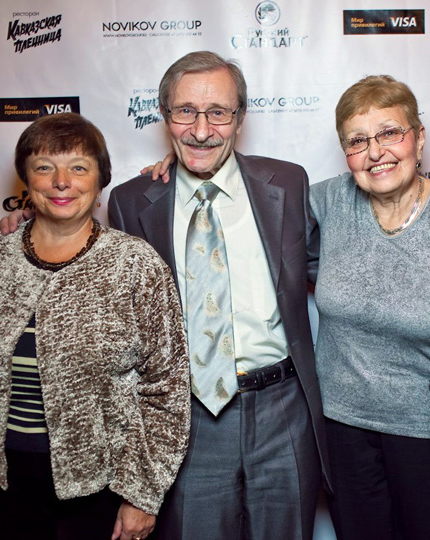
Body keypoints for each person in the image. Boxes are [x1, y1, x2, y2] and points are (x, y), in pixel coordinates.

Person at [108, 51, 330, 539]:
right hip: (185, 420)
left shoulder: (288, 183)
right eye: (185, 111)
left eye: (218, 113)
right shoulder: (131, 202)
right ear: (164, 115)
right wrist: (26, 221)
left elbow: (345, 248)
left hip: (283, 412)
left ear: (240, 118)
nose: (201, 130)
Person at [0, 113, 191, 540]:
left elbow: (168, 388)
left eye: (78, 168)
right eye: (44, 167)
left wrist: (142, 494)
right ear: (26, 179)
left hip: (103, 492)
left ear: (100, 180)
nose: (61, 182)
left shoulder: (135, 265)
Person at [309, 75, 430, 540]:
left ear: (419, 138)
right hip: (342, 430)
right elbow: (251, 208)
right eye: (357, 141)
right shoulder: (329, 202)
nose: (375, 151)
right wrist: (183, 169)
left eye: (389, 133)